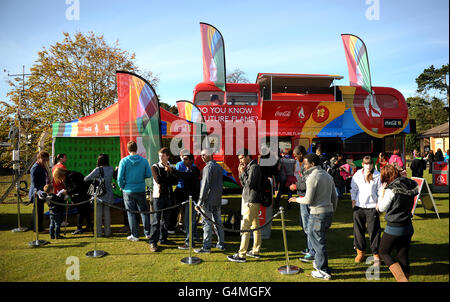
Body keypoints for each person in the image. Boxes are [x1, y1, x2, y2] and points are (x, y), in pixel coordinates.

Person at [289, 153, 338, 280]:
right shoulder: (327, 175)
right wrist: (332, 210)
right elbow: (335, 197)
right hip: (327, 213)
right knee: (320, 241)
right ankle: (320, 264)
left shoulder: (312, 177)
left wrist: (295, 199)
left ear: (312, 164)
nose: (304, 166)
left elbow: (308, 199)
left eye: (305, 164)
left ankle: (323, 270)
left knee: (318, 243)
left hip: (317, 214)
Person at [377, 164, 418, 282]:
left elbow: (381, 208)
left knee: (383, 251)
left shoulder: (391, 190)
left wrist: (382, 192)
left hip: (395, 227)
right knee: (402, 255)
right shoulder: (409, 184)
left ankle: (402, 280)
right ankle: (406, 279)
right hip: (408, 226)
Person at [227, 149, 262, 263]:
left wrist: (242, 173)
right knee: (255, 226)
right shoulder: (250, 167)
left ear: (248, 156)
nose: (240, 161)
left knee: (245, 227)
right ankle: (255, 251)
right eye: (239, 159)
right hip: (250, 199)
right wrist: (241, 172)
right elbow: (243, 184)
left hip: (251, 200)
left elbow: (250, 184)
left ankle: (242, 254)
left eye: (242, 158)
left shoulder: (254, 167)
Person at [117, 141, 152, 242]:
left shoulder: (123, 161)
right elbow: (148, 174)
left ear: (128, 150)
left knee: (131, 213)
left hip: (128, 190)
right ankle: (148, 233)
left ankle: (135, 235)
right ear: (136, 149)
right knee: (144, 212)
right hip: (140, 189)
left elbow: (120, 177)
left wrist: (122, 186)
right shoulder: (144, 161)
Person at [350, 156, 382, 265]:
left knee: (374, 231)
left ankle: (376, 253)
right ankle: (360, 252)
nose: (368, 166)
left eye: (370, 164)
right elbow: (353, 189)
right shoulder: (357, 174)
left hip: (372, 207)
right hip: (359, 207)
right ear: (362, 164)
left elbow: (380, 190)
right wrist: (353, 200)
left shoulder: (378, 175)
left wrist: (378, 204)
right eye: (366, 164)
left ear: (372, 164)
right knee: (358, 230)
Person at [194, 149, 225, 254]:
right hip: (217, 199)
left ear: (211, 155)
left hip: (208, 200)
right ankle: (221, 244)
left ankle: (206, 247)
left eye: (204, 155)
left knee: (207, 223)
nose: (202, 157)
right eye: (201, 155)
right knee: (218, 223)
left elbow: (205, 186)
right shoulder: (219, 167)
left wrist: (199, 202)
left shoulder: (207, 167)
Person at [289, 145, 315, 261]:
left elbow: (307, 184)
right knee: (304, 225)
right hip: (302, 198)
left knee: (308, 226)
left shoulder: (307, 166)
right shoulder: (304, 165)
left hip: (306, 199)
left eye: (295, 156)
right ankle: (309, 248)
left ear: (300, 154)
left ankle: (312, 251)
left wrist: (295, 186)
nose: (295, 158)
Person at [150, 147, 178, 252]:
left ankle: (163, 239)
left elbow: (176, 181)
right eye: (160, 156)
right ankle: (153, 242)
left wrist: (169, 173)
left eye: (163, 156)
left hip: (169, 196)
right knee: (156, 221)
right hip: (158, 197)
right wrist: (169, 175)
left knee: (166, 220)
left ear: (168, 156)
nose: (161, 158)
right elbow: (159, 180)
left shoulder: (171, 166)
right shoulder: (155, 167)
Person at [84, 154, 114, 237]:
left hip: (99, 194)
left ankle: (99, 233)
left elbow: (86, 178)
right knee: (107, 213)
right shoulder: (111, 169)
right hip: (108, 193)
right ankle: (108, 232)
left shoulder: (97, 169)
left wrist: (96, 179)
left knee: (98, 215)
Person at [177, 153, 201, 250]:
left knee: (188, 221)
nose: (184, 161)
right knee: (191, 220)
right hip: (189, 199)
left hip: (192, 200)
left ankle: (189, 242)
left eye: (186, 159)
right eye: (183, 159)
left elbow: (183, 175)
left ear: (191, 160)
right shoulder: (189, 170)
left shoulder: (194, 170)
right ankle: (195, 237)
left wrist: (172, 170)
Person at [29, 151, 51, 232]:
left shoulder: (42, 166)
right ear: (40, 158)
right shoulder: (35, 167)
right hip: (37, 192)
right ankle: (38, 229)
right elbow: (34, 182)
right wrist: (38, 192)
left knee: (36, 210)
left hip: (41, 191)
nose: (46, 161)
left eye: (47, 160)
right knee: (39, 211)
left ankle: (33, 226)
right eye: (44, 159)